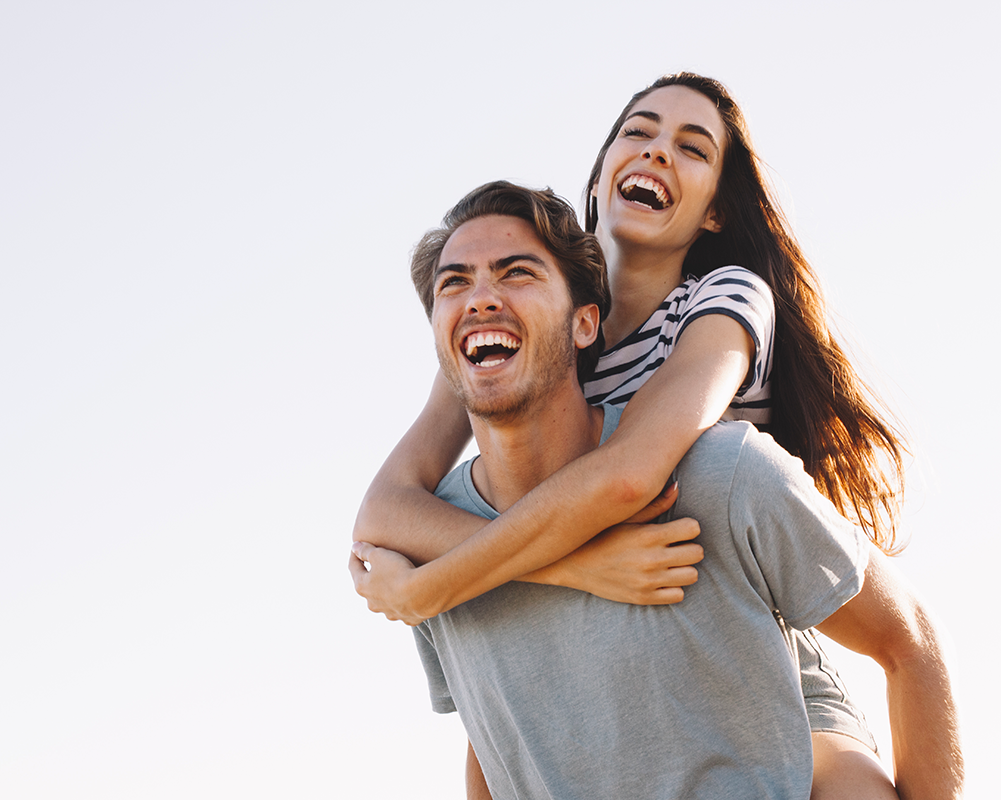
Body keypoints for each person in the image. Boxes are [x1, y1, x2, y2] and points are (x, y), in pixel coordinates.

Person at [352, 75, 963, 797]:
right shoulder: (518, 319)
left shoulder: (720, 302)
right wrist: (575, 567)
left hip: (743, 623)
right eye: (638, 132)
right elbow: (386, 511)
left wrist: (427, 588)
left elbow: (629, 476)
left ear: (715, 212)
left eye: (691, 148)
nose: (658, 152)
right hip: (608, 615)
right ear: (602, 170)